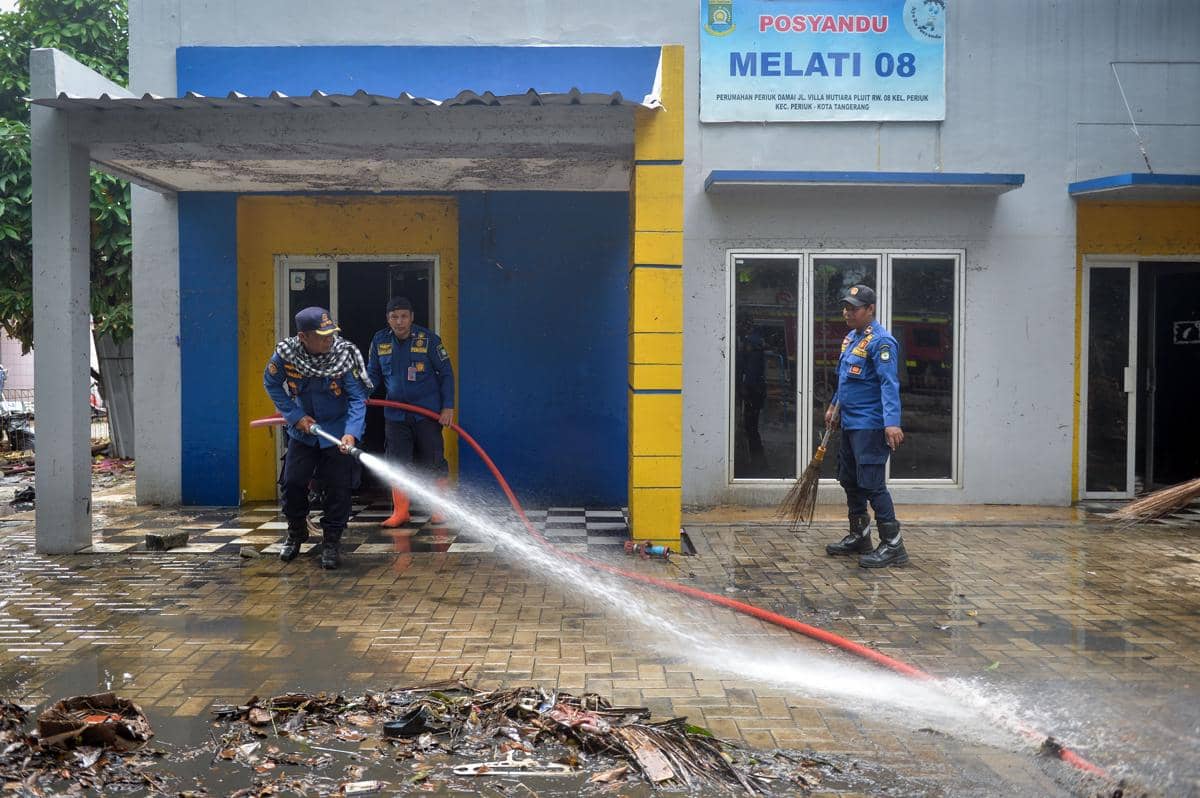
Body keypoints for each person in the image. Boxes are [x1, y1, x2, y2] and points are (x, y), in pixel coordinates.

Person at [264, 307, 369, 569]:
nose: (329, 340)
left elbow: (358, 397)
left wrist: (351, 433)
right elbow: (271, 383)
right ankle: (296, 531)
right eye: (322, 335)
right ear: (303, 337)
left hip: (336, 432)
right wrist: (295, 415)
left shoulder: (343, 355)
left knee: (337, 487)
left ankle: (332, 541)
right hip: (304, 431)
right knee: (293, 483)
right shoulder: (286, 355)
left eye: (331, 333)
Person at [823, 284, 908, 568]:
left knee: (872, 483)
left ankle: (893, 545)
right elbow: (845, 379)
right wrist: (835, 406)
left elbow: (889, 384)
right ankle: (860, 535)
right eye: (845, 307)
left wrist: (892, 423)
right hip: (849, 422)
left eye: (854, 308)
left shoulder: (881, 342)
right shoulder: (851, 338)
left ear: (870, 309)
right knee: (849, 479)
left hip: (871, 425)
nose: (847, 312)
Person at [366, 296, 455, 527]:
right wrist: (360, 393)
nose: (399, 321)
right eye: (394, 317)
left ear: (412, 317)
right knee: (397, 463)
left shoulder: (429, 340)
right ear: (388, 319)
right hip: (395, 415)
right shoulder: (379, 341)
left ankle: (439, 510)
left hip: (427, 413)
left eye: (404, 316)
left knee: (433, 460)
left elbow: (446, 374)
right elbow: (373, 375)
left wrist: (447, 407)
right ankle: (401, 512)